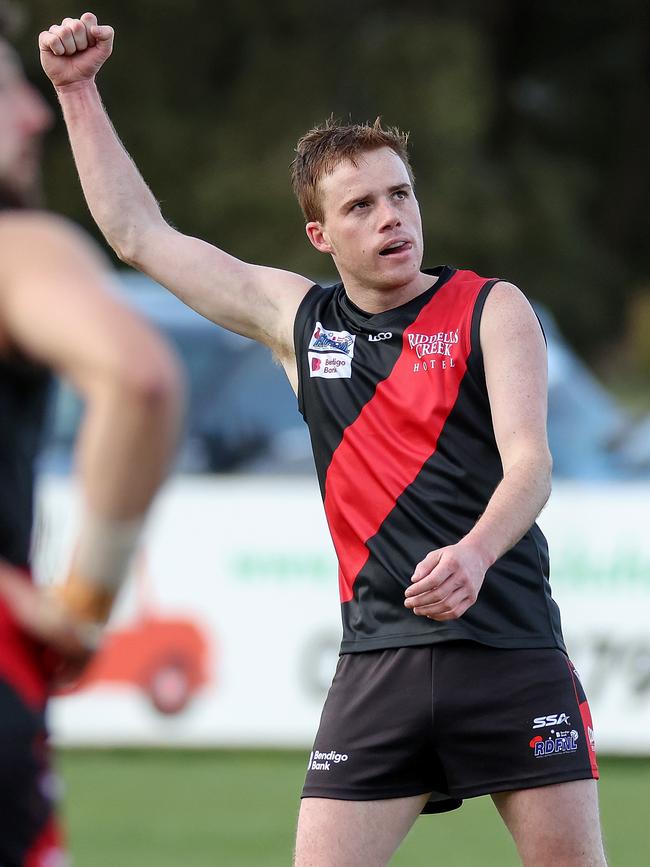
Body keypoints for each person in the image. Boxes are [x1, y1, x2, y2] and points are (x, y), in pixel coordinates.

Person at [38, 12, 608, 867]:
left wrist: (477, 555)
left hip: (509, 648)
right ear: (321, 235)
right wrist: (77, 91)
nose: (391, 217)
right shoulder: (297, 322)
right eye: (362, 205)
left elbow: (531, 465)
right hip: (376, 664)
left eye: (401, 194)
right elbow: (137, 235)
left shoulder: (493, 308)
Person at [0, 9, 184, 866]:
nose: (31, 114)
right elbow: (138, 380)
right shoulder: (14, 248)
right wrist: (81, 606)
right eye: (7, 95)